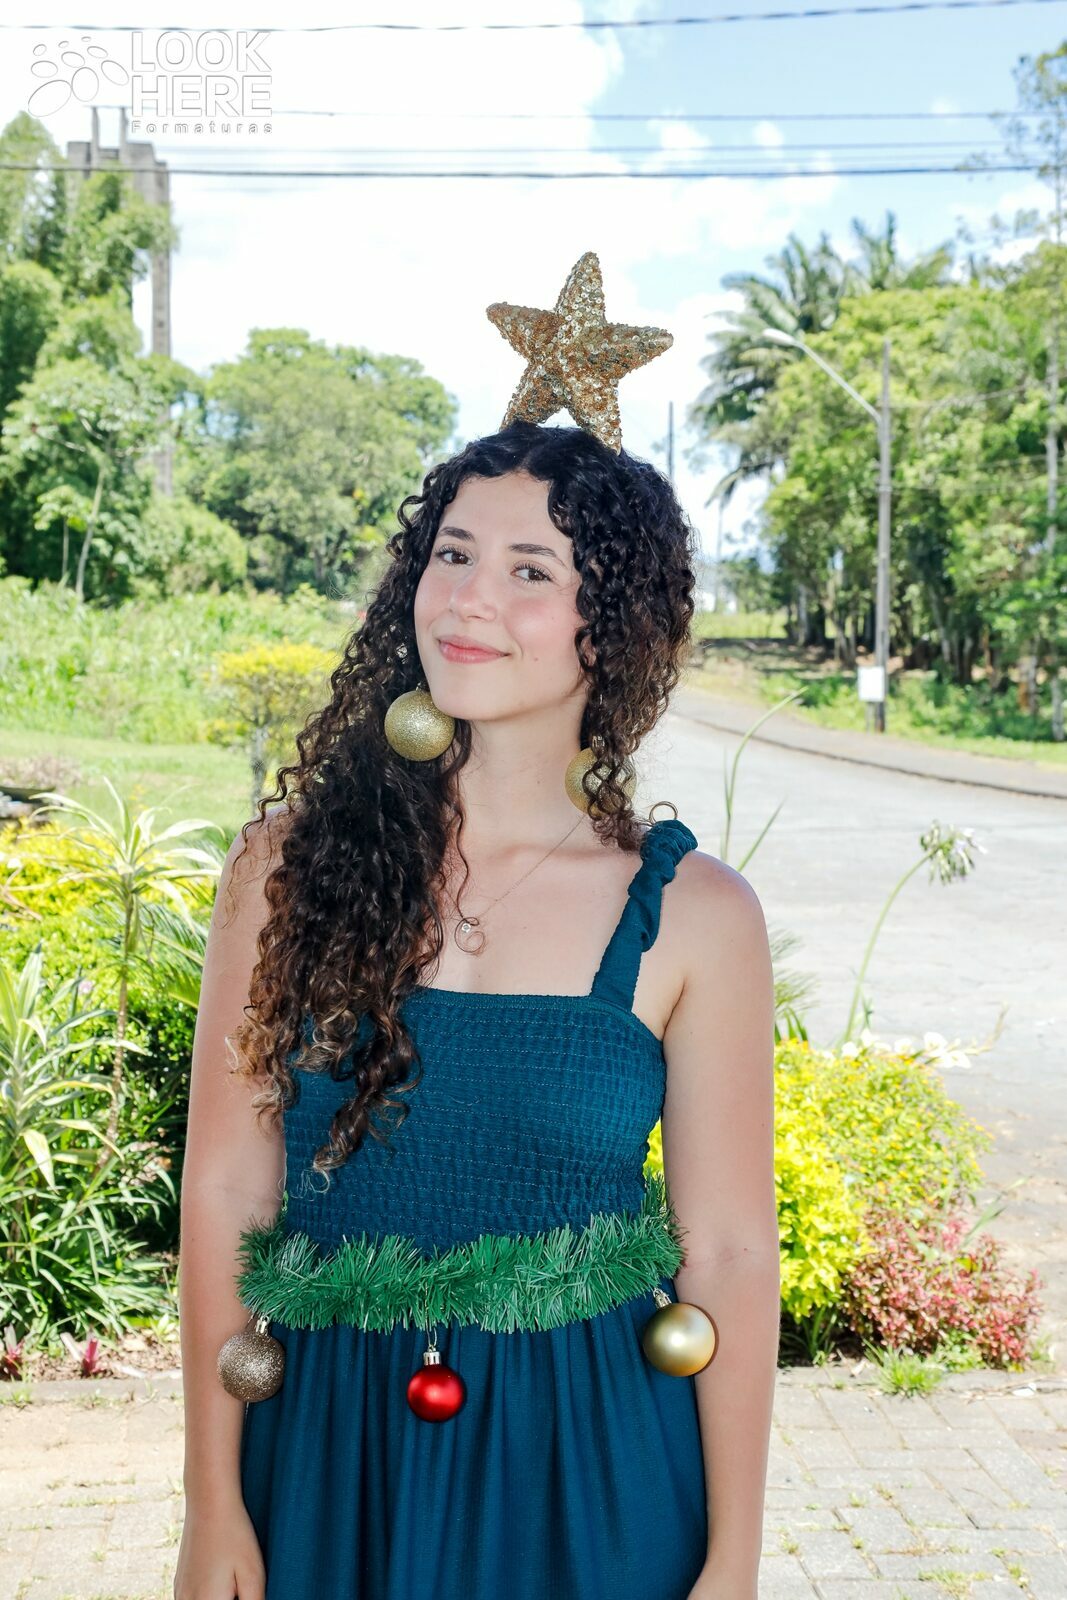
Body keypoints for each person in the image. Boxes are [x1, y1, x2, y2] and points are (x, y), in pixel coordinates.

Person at [175, 261, 779, 1600]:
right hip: (325, 1457)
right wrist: (213, 1505)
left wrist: (732, 1561)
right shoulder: (284, 870)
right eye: (451, 554)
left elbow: (733, 1251)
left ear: (611, 622)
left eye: (528, 570)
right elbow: (224, 1192)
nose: (466, 601)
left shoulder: (696, 915)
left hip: (595, 1470)